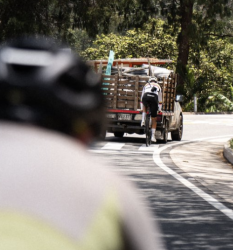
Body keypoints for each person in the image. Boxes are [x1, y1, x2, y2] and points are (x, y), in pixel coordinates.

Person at [0, 37, 164, 250]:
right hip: (150, 104)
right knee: (150, 116)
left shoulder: (144, 87)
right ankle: (148, 125)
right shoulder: (111, 191)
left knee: (146, 113)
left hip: (144, 102)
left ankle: (145, 120)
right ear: (85, 132)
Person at [140, 77, 163, 142]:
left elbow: (142, 98)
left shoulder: (146, 85)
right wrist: (159, 109)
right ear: (156, 81)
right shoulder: (158, 86)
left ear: (149, 81)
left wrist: (141, 108)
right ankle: (153, 136)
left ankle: (143, 120)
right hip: (154, 98)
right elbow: (160, 100)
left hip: (146, 96)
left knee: (145, 105)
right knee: (154, 119)